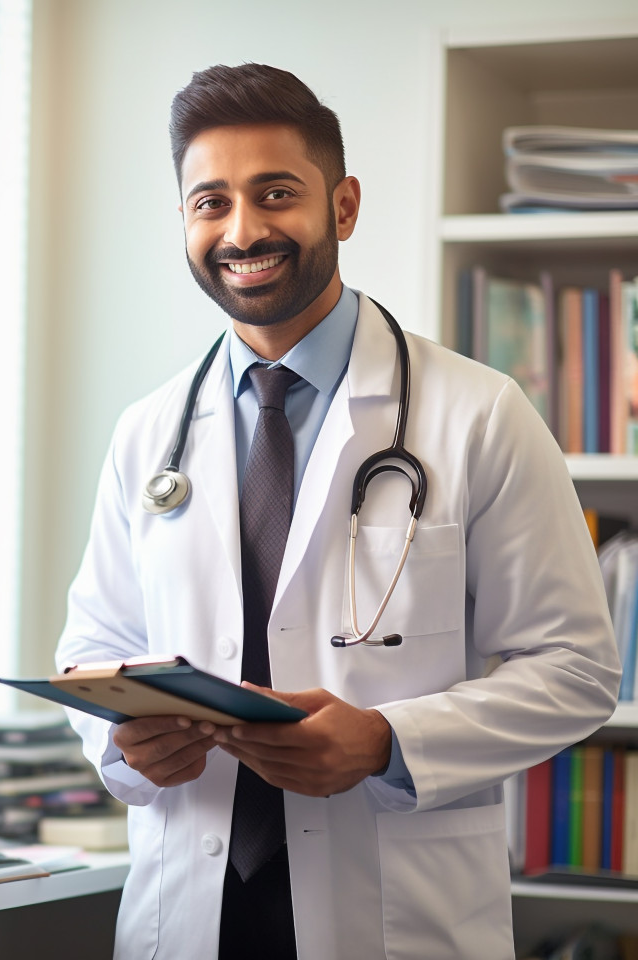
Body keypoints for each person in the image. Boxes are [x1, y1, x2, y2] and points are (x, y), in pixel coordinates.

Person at [55, 63, 621, 960]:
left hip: (393, 909)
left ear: (344, 206)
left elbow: (578, 670)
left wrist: (387, 742)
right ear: (185, 221)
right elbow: (92, 647)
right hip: (190, 907)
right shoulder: (147, 431)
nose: (242, 230)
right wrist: (125, 744)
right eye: (211, 202)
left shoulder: (479, 413)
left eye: (275, 193)